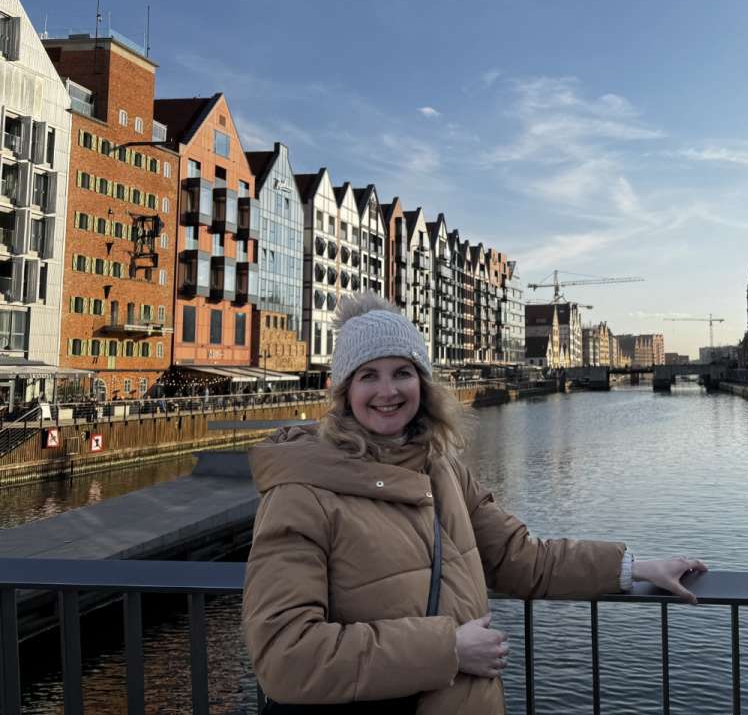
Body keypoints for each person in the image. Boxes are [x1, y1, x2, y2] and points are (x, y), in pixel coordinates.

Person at [242, 293, 706, 712]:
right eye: (369, 376)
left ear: (423, 384)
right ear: (342, 393)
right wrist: (448, 650)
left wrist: (633, 568)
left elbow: (521, 559)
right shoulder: (300, 492)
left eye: (403, 372)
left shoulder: (441, 470)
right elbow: (286, 654)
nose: (388, 391)